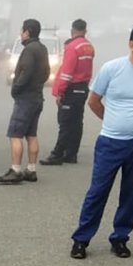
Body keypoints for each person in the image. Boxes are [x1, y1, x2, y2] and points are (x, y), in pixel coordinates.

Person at [70, 23, 133, 259]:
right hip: (111, 141)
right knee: (98, 191)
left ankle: (120, 238)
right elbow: (94, 100)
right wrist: (114, 121)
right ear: (131, 44)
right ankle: (81, 239)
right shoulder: (112, 68)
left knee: (132, 192)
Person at [0, 19, 49, 184]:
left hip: (26, 98)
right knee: (31, 134)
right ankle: (31, 170)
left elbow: (25, 72)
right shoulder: (42, 48)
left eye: (22, 30)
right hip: (37, 96)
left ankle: (16, 170)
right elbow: (47, 72)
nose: (20, 33)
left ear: (27, 32)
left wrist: (16, 88)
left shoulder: (29, 50)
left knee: (15, 134)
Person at [42, 18, 95, 165]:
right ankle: (71, 154)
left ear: (72, 30)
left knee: (65, 123)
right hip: (83, 88)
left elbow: (67, 72)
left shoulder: (72, 47)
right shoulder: (89, 47)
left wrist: (60, 92)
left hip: (72, 89)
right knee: (77, 122)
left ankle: (57, 154)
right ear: (85, 30)